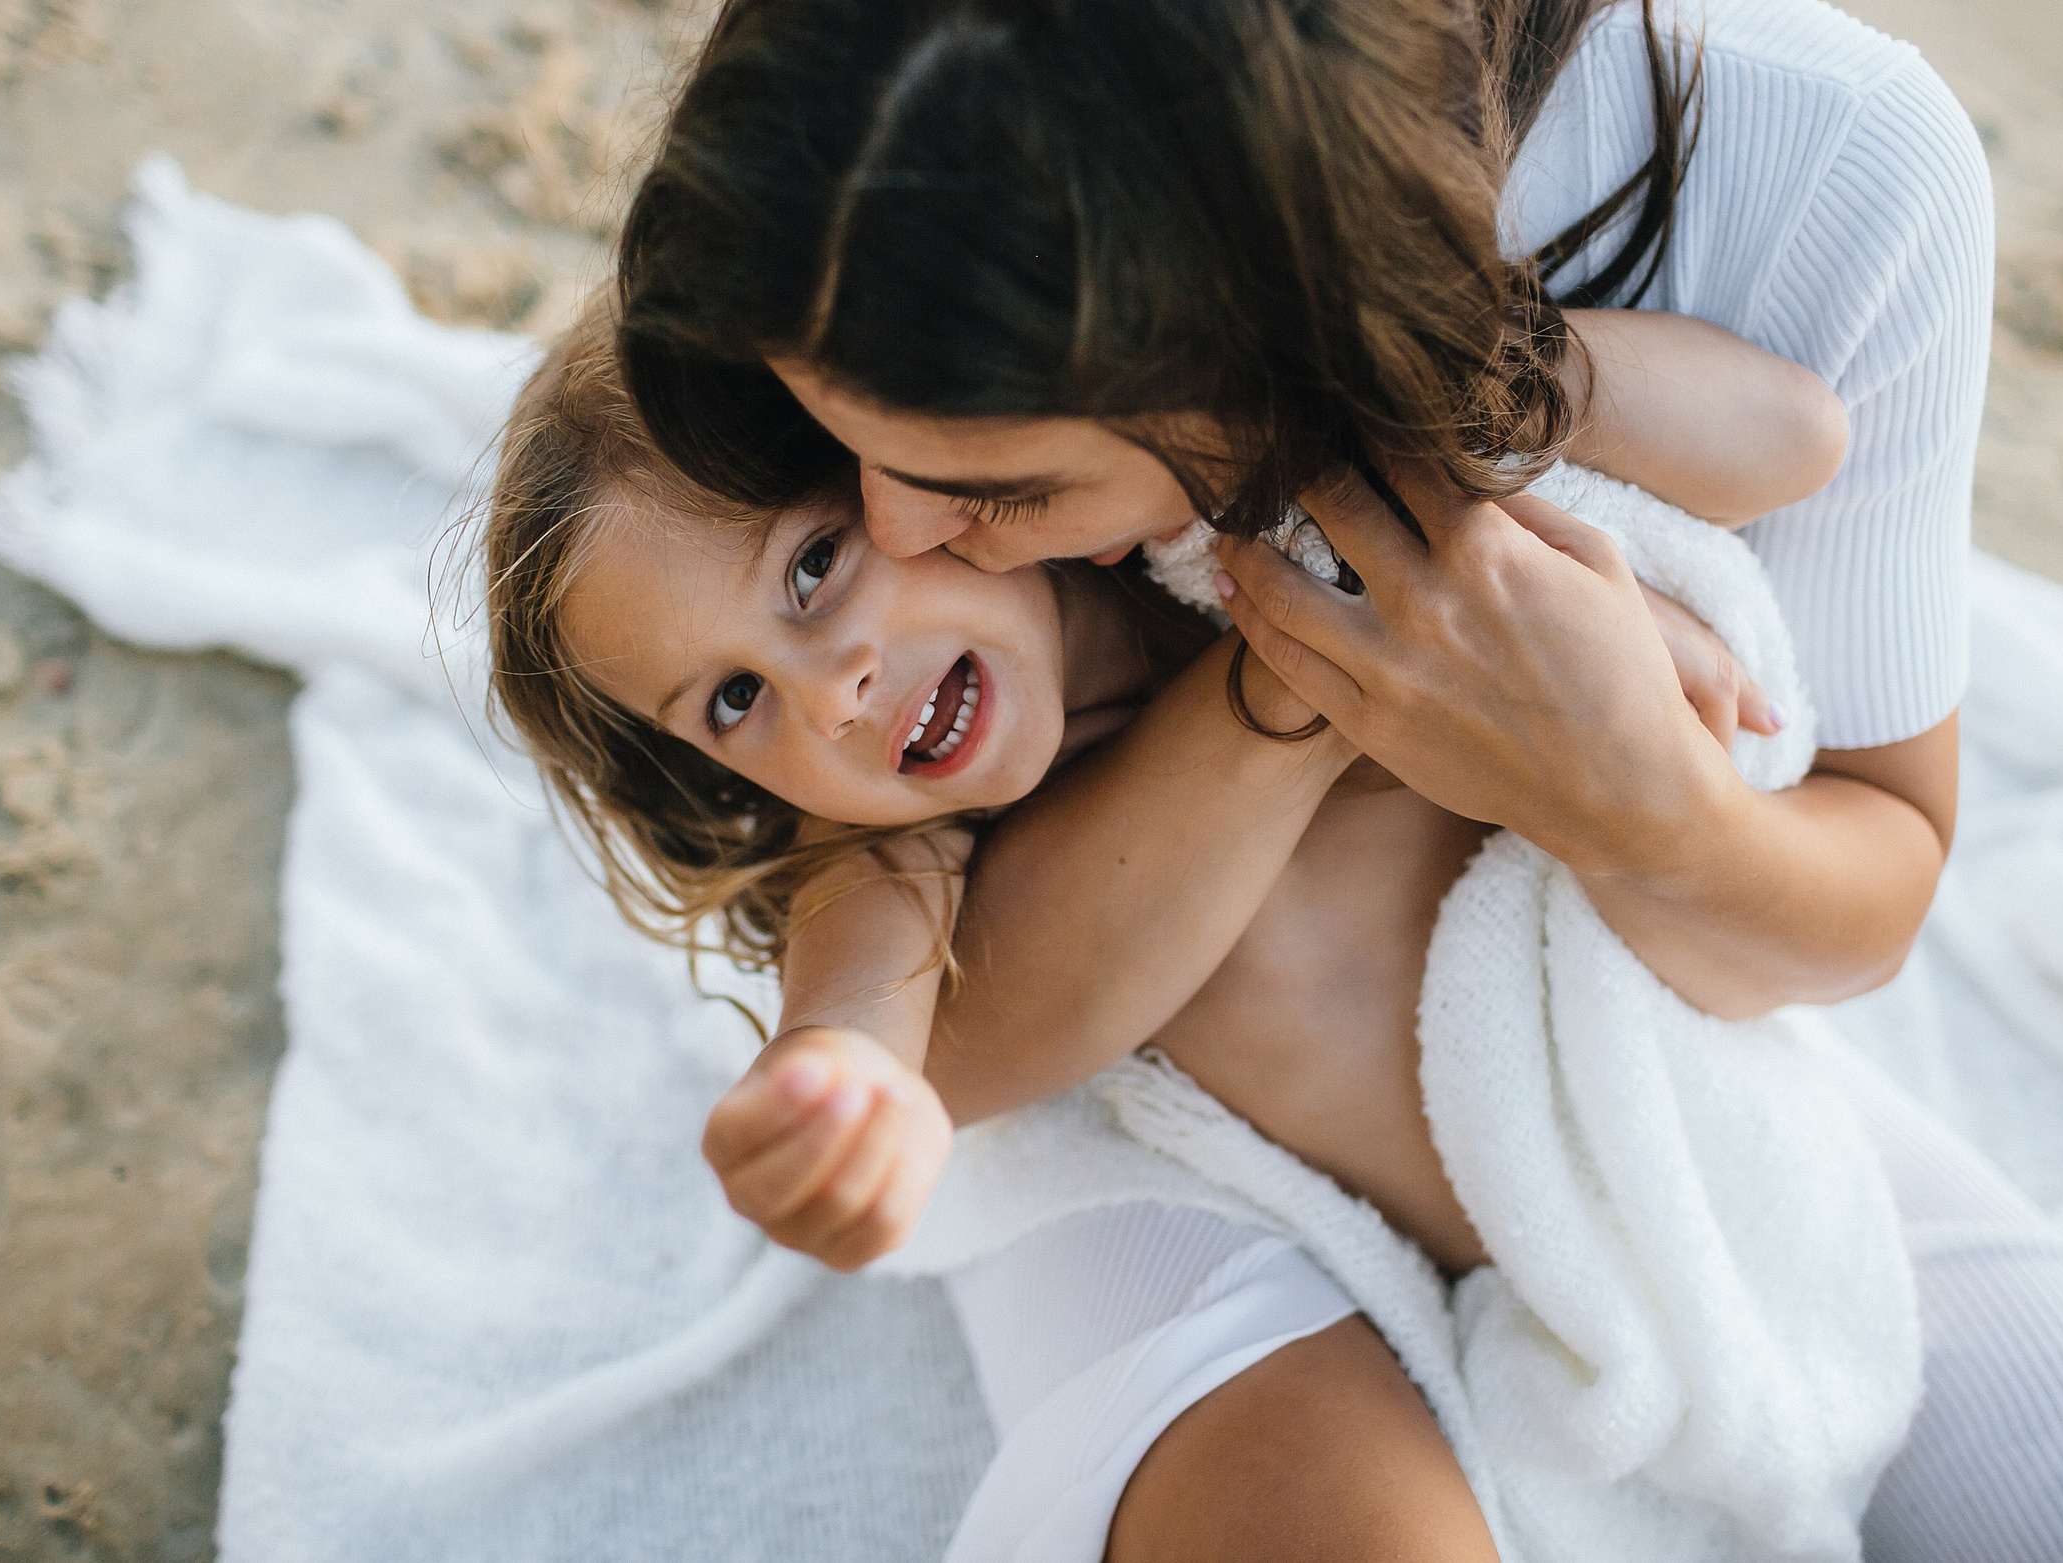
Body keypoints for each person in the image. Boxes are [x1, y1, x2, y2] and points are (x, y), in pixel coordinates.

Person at [602, 0, 2063, 1558]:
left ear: (1281, 364)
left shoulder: (1785, 202)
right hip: (1169, 1146)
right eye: (842, 488)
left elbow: (1816, 627)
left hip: (1621, 1065)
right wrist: (1300, 687)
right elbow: (898, 964)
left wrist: (1650, 804)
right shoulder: (892, 315)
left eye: (981, 484)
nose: (894, 532)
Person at [487, 299, 1856, 1553]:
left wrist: (1418, 406)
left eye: (815, 569)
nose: (826, 698)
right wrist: (838, 1088)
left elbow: (1797, 435)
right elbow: (860, 1012)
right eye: (731, 702)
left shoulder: (1259, 540)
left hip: (1661, 1195)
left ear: (917, 463)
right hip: (1364, 1274)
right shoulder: (882, 850)